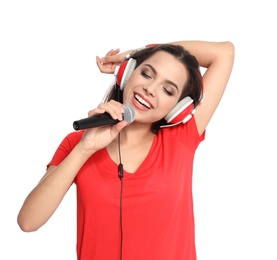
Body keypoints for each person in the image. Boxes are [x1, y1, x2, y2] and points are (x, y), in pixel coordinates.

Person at [17, 40, 235, 260]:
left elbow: (224, 53)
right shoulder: (78, 143)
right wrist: (84, 149)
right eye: (147, 74)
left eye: (167, 90)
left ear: (177, 109)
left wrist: (142, 53)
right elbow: (28, 221)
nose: (149, 89)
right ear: (127, 74)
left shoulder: (182, 137)